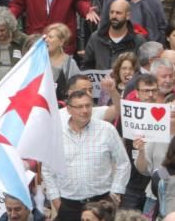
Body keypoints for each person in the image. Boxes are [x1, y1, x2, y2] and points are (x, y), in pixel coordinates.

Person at [41, 89, 130, 221]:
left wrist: (115, 192)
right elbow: (47, 170)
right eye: (79, 107)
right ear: (69, 110)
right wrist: (56, 201)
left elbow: (123, 162)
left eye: (88, 106)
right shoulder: (56, 134)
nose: (85, 110)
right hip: (68, 204)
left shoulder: (106, 129)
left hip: (101, 203)